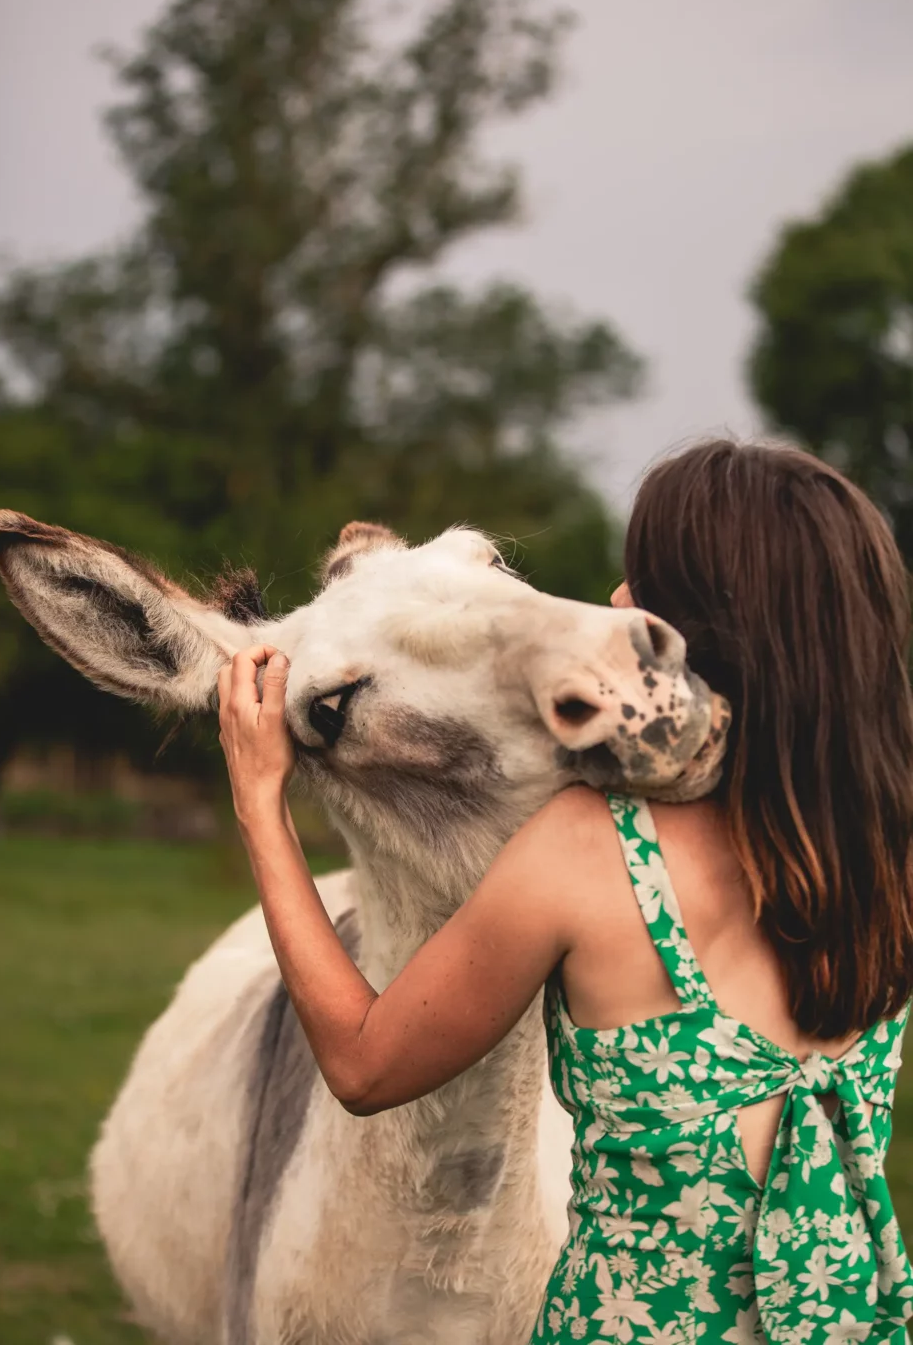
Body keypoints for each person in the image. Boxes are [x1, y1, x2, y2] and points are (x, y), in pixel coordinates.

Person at [217, 439, 913, 1343]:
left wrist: (261, 804)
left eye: (648, 581)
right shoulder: (887, 856)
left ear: (716, 625)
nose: (617, 604)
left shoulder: (592, 851)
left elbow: (361, 1063)